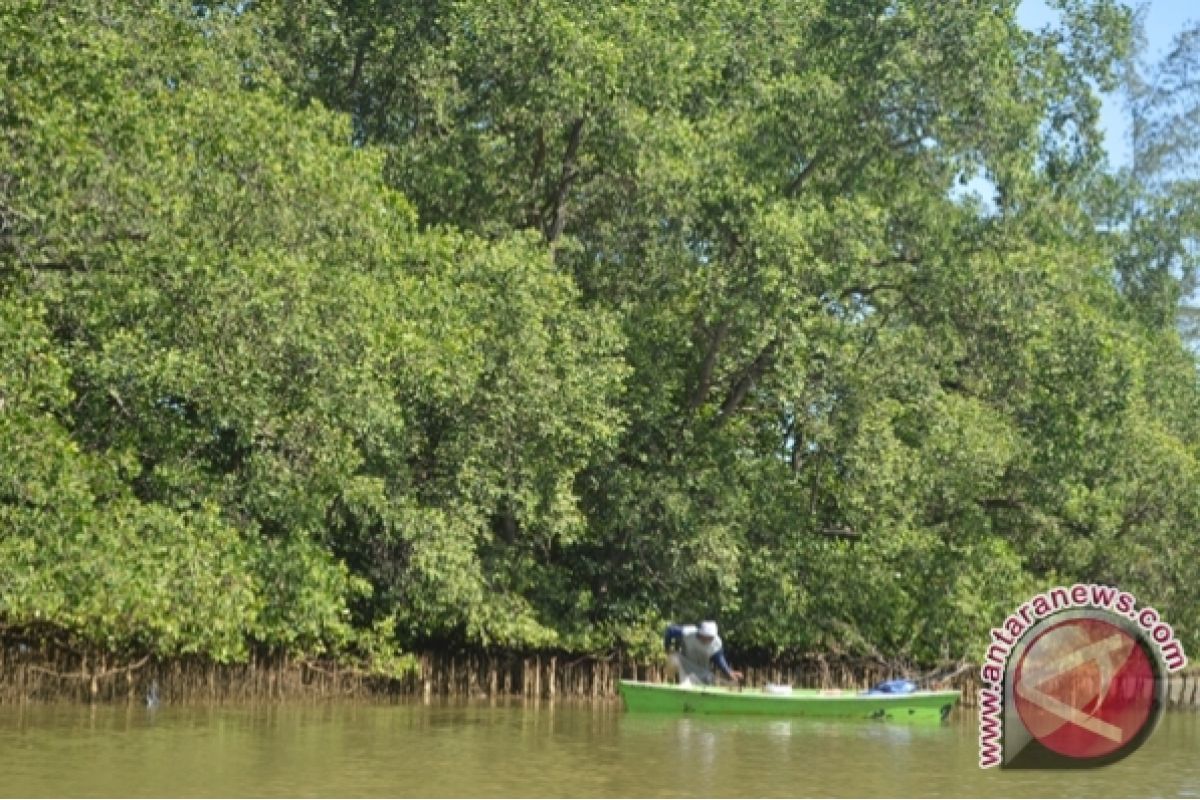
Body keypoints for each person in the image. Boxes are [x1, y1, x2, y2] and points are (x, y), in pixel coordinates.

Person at [663, 620, 743, 686]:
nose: (707, 640)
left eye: (710, 638)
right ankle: (669, 684)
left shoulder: (716, 643)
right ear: (699, 634)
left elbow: (720, 660)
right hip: (685, 662)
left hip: (701, 670)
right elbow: (670, 631)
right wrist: (668, 648)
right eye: (704, 637)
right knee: (673, 658)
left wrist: (729, 672)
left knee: (689, 686)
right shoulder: (688, 632)